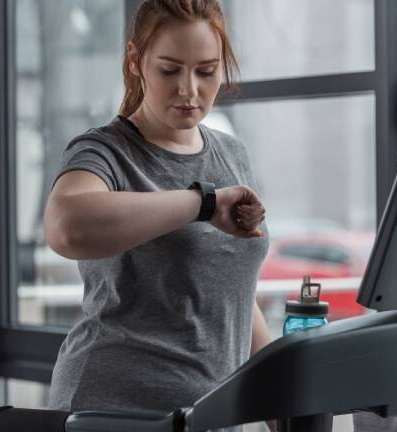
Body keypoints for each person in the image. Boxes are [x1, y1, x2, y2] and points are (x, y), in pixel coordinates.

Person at [44, 0, 273, 430]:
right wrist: (203, 204)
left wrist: (281, 406)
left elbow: (236, 296)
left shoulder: (232, 154)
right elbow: (65, 228)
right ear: (136, 61)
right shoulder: (105, 151)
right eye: (170, 70)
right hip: (114, 412)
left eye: (206, 71)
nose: (189, 89)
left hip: (212, 416)